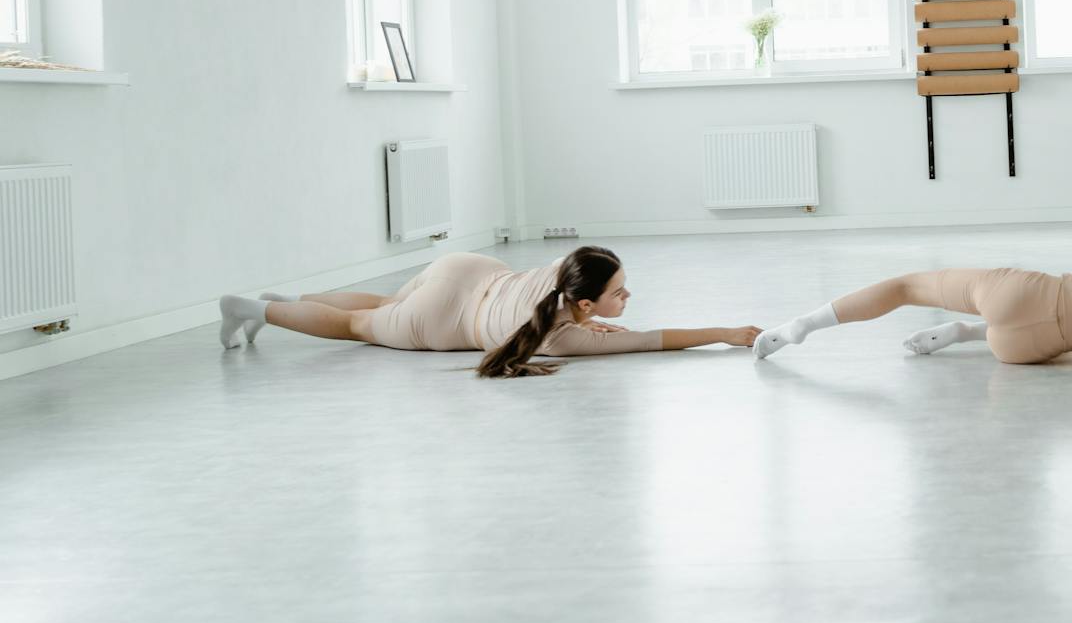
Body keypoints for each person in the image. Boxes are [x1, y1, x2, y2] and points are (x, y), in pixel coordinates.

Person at [216, 246, 760, 376]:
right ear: (586, 302)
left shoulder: (567, 270)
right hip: (443, 322)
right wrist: (727, 333)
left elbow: (595, 307)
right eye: (621, 292)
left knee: (383, 303)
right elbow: (652, 340)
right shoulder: (559, 337)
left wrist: (590, 314)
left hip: (465, 270)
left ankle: (281, 304)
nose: (628, 300)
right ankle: (252, 310)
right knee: (358, 325)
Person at [752, 244, 1072, 384]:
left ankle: (801, 327)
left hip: (1020, 294)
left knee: (906, 286)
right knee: (1060, 344)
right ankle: (968, 334)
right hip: (1021, 352)